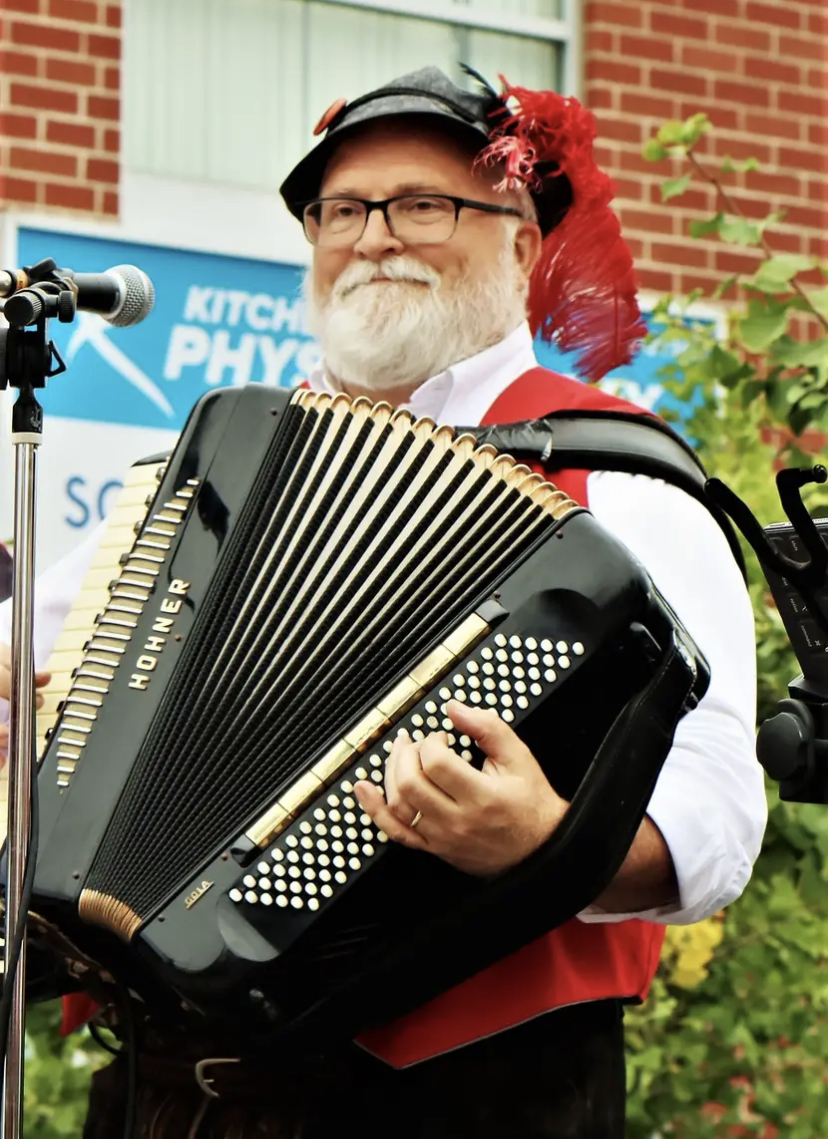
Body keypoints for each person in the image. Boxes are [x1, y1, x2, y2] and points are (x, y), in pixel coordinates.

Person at [0, 68, 765, 1138]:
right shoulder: (227, 460)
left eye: (423, 204)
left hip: (474, 1094)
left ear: (523, 242)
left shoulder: (620, 472)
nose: (374, 237)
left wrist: (552, 840)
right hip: (171, 1086)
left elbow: (721, 811)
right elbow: (33, 645)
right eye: (343, 210)